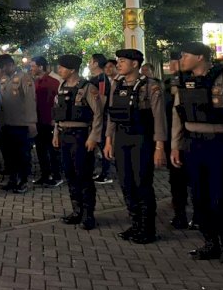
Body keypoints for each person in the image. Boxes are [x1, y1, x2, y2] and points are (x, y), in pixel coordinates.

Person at [104, 49, 167, 244]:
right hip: (122, 138)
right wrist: (108, 140)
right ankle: (136, 223)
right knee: (127, 183)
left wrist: (159, 147)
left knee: (142, 183)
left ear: (135, 64)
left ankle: (148, 229)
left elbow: (159, 118)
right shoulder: (118, 84)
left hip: (142, 139)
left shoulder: (150, 86)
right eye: (118, 61)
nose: (119, 64)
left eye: (123, 61)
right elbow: (112, 115)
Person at [171, 42, 223, 261]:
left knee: (220, 195)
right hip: (193, 143)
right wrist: (175, 145)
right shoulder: (183, 82)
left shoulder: (221, 77)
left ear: (200, 57)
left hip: (218, 142)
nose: (181, 59)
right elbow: (177, 117)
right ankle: (210, 242)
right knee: (200, 196)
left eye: (186, 55)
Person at [52, 54, 103, 230]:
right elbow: (58, 114)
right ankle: (77, 211)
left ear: (72, 69)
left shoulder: (87, 88)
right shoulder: (62, 87)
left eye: (62, 67)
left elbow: (98, 114)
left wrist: (94, 137)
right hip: (65, 134)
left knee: (84, 175)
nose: (59, 70)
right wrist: (56, 134)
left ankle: (89, 215)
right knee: (70, 174)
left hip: (81, 136)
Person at [0, 54, 37, 194]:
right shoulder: (2, 79)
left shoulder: (24, 77)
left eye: (3, 67)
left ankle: (23, 181)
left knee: (22, 154)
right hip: (6, 123)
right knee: (9, 154)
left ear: (10, 65)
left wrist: (31, 121)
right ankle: (12, 179)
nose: (2, 70)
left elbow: (30, 100)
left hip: (21, 123)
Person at [163, 52, 193, 229]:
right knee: (176, 178)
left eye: (175, 61)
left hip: (192, 137)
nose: (172, 64)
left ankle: (197, 215)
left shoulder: (195, 81)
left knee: (195, 180)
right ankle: (180, 213)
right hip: (172, 137)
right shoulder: (168, 84)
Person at [31, 56, 62, 187]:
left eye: (33, 66)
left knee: (52, 150)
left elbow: (58, 103)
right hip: (38, 121)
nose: (31, 69)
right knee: (40, 149)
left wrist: (55, 120)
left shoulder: (54, 82)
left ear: (40, 67)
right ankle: (45, 175)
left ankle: (57, 175)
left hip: (50, 121)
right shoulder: (36, 82)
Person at [88, 53, 113, 185]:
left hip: (101, 118)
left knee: (103, 144)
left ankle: (105, 173)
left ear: (96, 63)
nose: (89, 64)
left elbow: (102, 99)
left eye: (90, 61)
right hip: (95, 117)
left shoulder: (102, 79)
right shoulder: (95, 79)